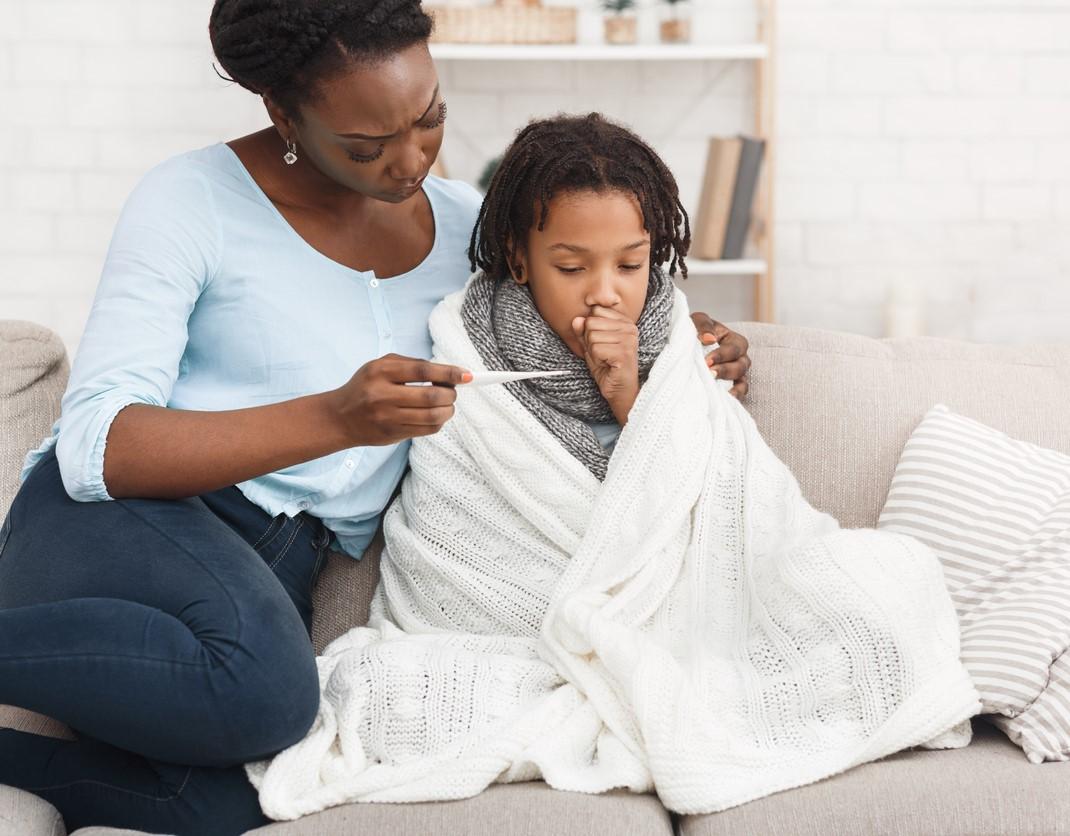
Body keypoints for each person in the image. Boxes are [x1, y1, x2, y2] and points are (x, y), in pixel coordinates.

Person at [0, 1, 751, 834]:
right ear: (283, 113)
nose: (410, 159)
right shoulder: (190, 201)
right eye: (366, 143)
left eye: (429, 118)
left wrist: (687, 344)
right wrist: (335, 417)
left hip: (275, 567)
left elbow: (582, 308)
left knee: (264, 794)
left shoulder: (471, 223)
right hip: (122, 528)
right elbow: (98, 446)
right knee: (270, 694)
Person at [244, 112, 977, 821]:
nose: (607, 290)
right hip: (516, 631)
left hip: (689, 619)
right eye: (572, 265)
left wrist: (633, 394)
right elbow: (460, 519)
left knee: (887, 581)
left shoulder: (682, 344)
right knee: (390, 686)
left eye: (630, 264)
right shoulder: (464, 352)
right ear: (518, 257)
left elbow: (721, 496)